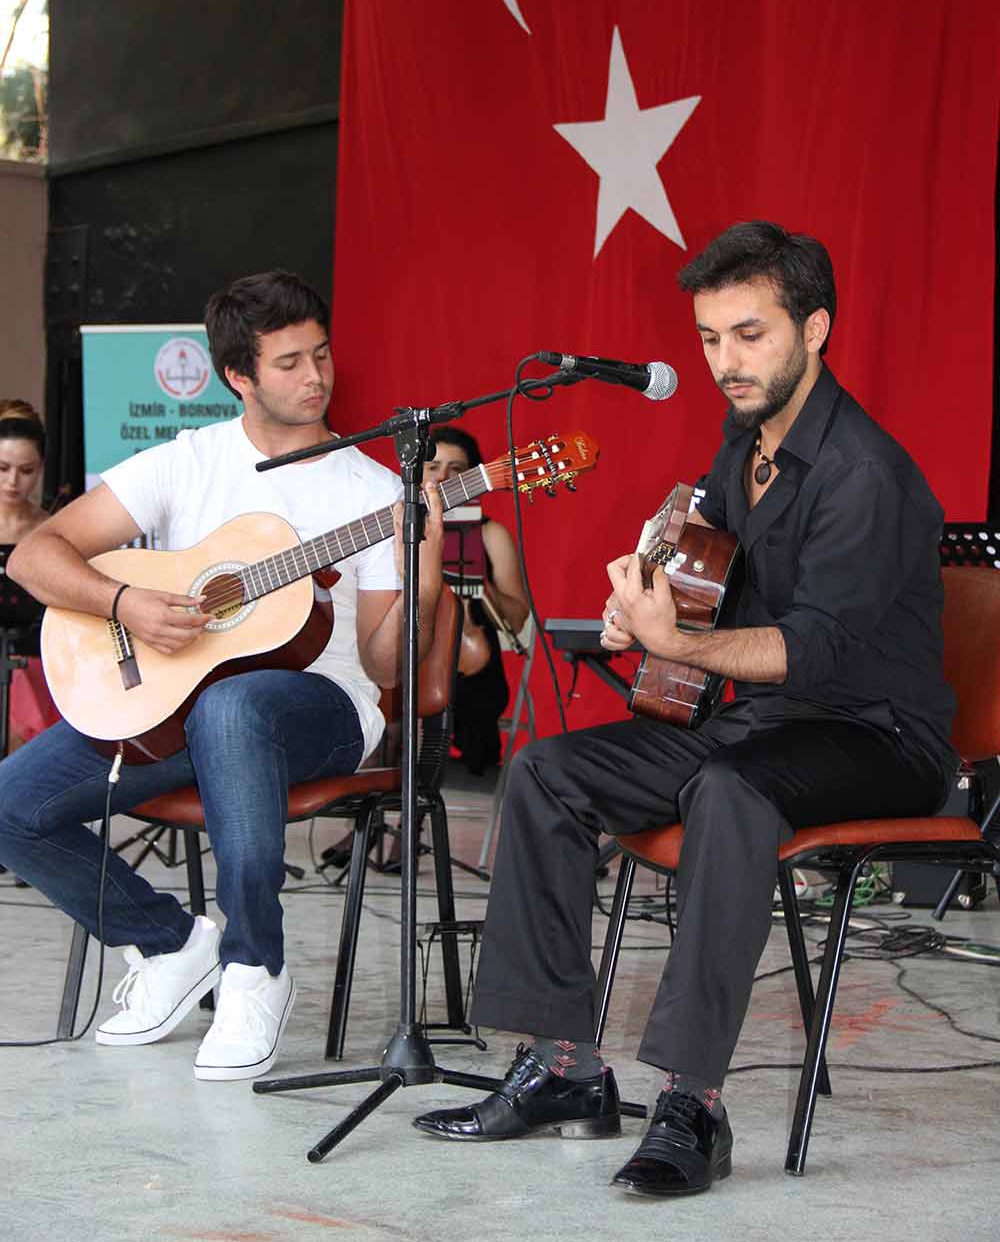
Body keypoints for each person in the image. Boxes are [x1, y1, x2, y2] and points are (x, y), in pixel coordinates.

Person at [412, 220, 955, 1197]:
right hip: (760, 723)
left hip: (875, 734)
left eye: (750, 334)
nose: (725, 362)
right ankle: (562, 1067)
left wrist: (677, 645)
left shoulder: (863, 474)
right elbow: (706, 554)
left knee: (729, 792)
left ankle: (692, 1105)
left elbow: (814, 649)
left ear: (815, 329)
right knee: (546, 772)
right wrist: (649, 593)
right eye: (709, 338)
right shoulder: (745, 437)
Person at [0, 270, 443, 1081]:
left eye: (322, 354)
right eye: (289, 362)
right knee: (12, 805)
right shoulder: (188, 462)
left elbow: (386, 667)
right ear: (239, 375)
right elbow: (35, 555)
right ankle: (170, 943)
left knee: (234, 706)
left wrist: (425, 567)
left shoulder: (374, 491)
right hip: (177, 703)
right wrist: (125, 602)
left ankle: (254, 967)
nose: (316, 377)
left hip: (323, 707)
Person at [424, 427, 530, 774]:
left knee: (459, 691)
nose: (443, 478)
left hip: (469, 661)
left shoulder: (490, 534)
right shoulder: (399, 528)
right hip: (408, 654)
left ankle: (429, 782)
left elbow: (517, 619)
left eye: (456, 469)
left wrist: (482, 581)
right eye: (433, 467)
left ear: (472, 479)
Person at [0, 401, 59, 750]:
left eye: (26, 470)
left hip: (36, 666)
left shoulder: (53, 530)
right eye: (2, 468)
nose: (12, 482)